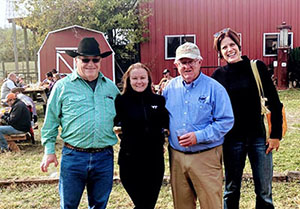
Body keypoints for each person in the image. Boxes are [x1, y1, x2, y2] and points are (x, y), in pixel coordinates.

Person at [40, 37, 119, 209]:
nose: (90, 63)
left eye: (95, 59)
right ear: (76, 60)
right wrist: (49, 151)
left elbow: (124, 117)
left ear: (100, 61)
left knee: (100, 205)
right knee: (69, 205)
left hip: (104, 158)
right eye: (85, 59)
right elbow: (50, 122)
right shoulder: (62, 87)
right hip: (74, 156)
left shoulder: (111, 88)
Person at [211, 28, 283, 209]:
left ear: (239, 46)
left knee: (264, 191)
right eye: (224, 47)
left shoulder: (256, 67)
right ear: (220, 52)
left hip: (259, 139)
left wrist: (275, 135)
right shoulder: (218, 76)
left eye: (232, 44)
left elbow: (275, 102)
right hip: (231, 140)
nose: (229, 49)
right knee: (231, 189)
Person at [163, 42, 234, 209]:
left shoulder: (215, 88)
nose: (187, 66)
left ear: (200, 62)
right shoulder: (169, 89)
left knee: (211, 205)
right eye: (183, 62)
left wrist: (199, 136)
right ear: (176, 65)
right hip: (177, 157)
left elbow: (226, 121)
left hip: (206, 156)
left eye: (191, 62)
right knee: (182, 205)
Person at [114, 63, 169, 209]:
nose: (139, 82)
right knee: (141, 203)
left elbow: (166, 124)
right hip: (129, 162)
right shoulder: (120, 101)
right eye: (135, 78)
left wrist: (162, 141)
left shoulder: (159, 101)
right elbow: (114, 125)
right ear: (128, 80)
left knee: (148, 204)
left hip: (154, 162)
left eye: (143, 78)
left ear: (149, 79)